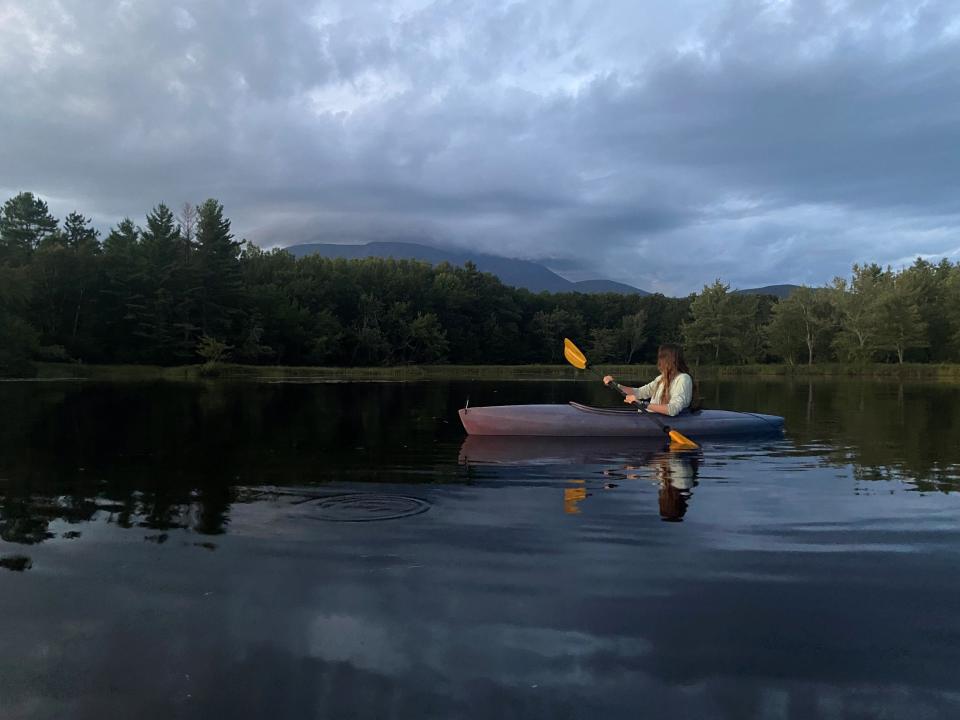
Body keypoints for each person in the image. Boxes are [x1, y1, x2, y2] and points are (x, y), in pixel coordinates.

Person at [602, 343, 695, 417]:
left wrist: (643, 404)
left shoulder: (683, 379)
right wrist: (614, 384)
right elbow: (638, 392)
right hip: (648, 417)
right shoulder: (661, 378)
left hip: (662, 420)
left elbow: (673, 409)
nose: (659, 362)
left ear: (670, 360)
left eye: (661, 357)